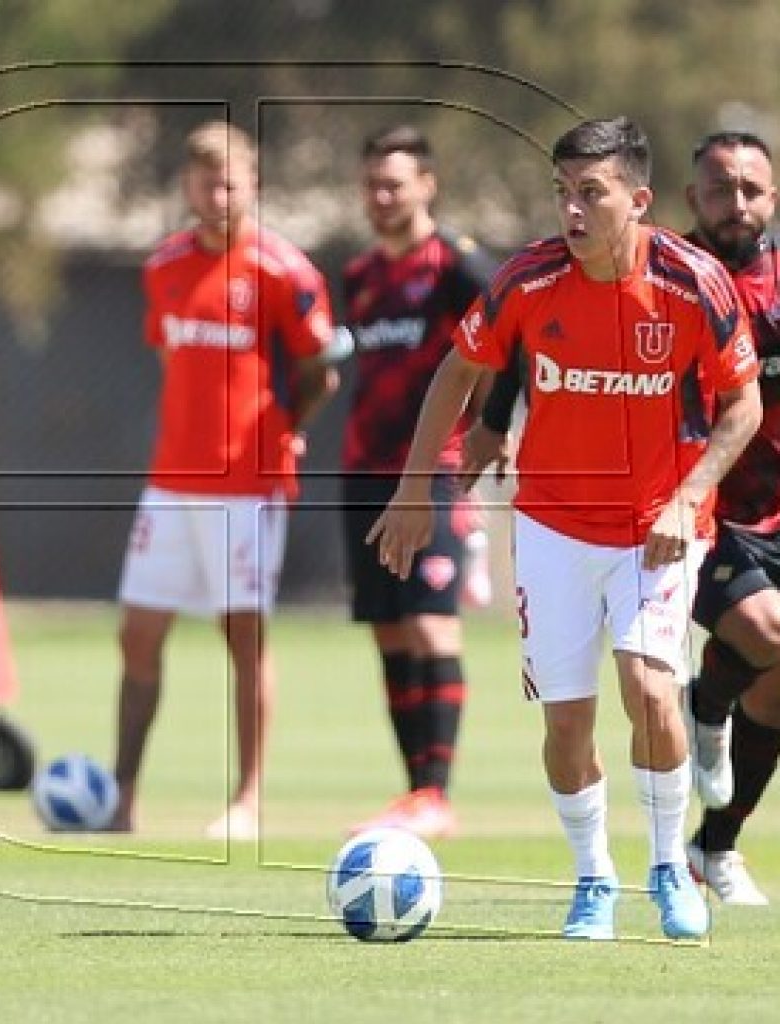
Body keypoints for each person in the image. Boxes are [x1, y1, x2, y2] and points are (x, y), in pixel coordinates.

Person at [368, 116, 762, 941]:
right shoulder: (526, 281)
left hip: (658, 530)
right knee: (566, 722)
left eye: (592, 194)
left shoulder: (692, 284)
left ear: (639, 200)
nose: (572, 212)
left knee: (653, 694)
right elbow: (457, 371)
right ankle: (592, 878)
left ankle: (665, 869)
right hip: (551, 530)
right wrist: (415, 487)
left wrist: (691, 495)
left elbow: (742, 406)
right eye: (563, 194)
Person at [107, 120, 337, 839]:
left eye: (232, 179)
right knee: (138, 635)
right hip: (172, 482)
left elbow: (319, 369)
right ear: (188, 185)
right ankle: (121, 799)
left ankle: (247, 798)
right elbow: (170, 357)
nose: (219, 193)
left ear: (253, 184)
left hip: (248, 486)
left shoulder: (283, 271)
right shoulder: (164, 267)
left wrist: (285, 427)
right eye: (206, 179)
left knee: (244, 639)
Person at [339, 125, 494, 837]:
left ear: (427, 185)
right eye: (372, 183)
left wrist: (489, 431)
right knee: (392, 633)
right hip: (365, 474)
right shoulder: (360, 276)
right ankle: (414, 794)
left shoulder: (458, 268)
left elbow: (507, 344)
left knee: (433, 627)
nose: (381, 196)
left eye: (394, 183)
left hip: (432, 474)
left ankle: (438, 792)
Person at [680, 131, 780, 906]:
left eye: (751, 188)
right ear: (693, 200)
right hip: (702, 508)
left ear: (772, 198)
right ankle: (706, 701)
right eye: (721, 188)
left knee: (778, 687)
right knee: (768, 631)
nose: (736, 202)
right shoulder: (672, 283)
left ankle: (716, 846)